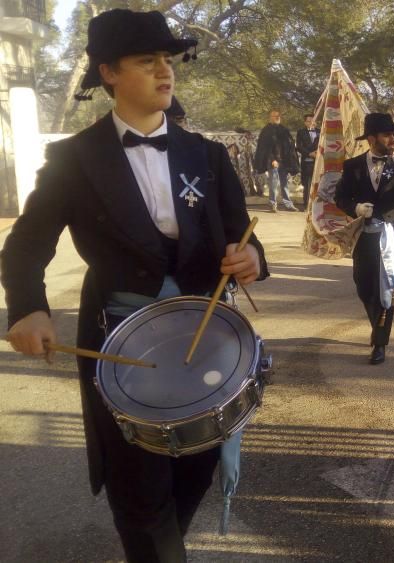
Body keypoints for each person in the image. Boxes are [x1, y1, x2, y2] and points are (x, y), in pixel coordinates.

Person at [0, 9, 267, 561]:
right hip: (119, 344)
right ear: (109, 73)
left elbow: (243, 233)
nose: (164, 72)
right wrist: (28, 308)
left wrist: (251, 258)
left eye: (167, 60)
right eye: (147, 61)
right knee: (139, 489)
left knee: (193, 468)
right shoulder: (73, 160)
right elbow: (26, 244)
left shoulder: (207, 156)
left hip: (204, 338)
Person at [333, 112, 394, 365]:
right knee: (364, 285)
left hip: (393, 234)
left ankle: (379, 342)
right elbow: (340, 197)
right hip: (366, 235)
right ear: (372, 138)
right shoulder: (352, 166)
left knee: (387, 286)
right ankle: (377, 327)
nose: (393, 140)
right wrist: (355, 208)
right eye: (387, 135)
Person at [253, 108, 299, 212]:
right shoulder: (266, 130)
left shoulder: (283, 129)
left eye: (278, 115)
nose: (277, 117)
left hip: (284, 161)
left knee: (284, 183)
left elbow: (289, 144)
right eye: (274, 116)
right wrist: (273, 160)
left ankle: (288, 204)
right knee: (273, 183)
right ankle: (272, 203)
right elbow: (266, 148)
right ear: (270, 118)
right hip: (273, 161)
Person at [296, 113, 320, 209]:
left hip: (318, 161)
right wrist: (309, 153)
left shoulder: (321, 131)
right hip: (307, 161)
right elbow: (299, 146)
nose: (311, 123)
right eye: (309, 121)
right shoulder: (301, 132)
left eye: (313, 121)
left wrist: (317, 153)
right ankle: (306, 205)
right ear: (305, 122)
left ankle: (317, 206)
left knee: (319, 183)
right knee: (307, 184)